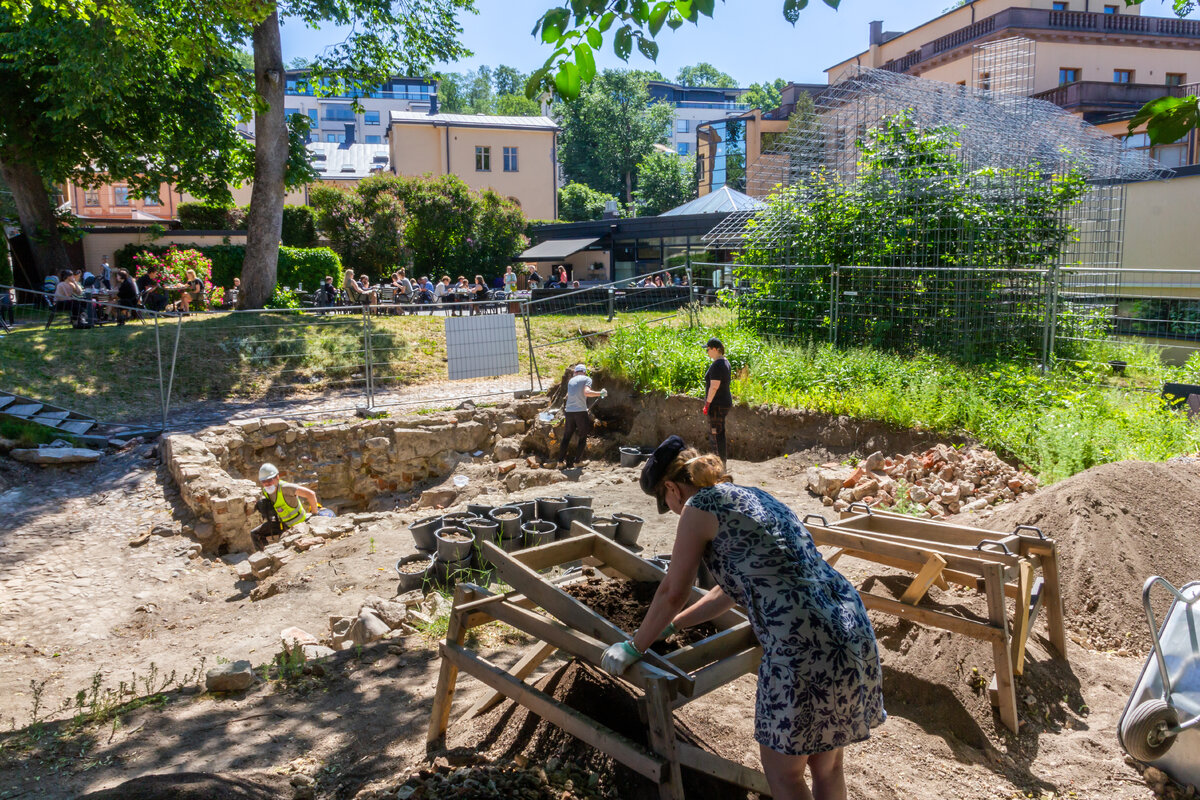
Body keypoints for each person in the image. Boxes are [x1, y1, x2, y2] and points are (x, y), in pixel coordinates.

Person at [601, 436, 886, 800]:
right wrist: (674, 626)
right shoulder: (753, 495)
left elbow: (673, 590)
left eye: (666, 501)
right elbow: (732, 590)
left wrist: (634, 645)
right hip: (848, 625)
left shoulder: (697, 507)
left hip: (801, 643)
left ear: (671, 488)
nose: (671, 509)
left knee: (785, 775)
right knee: (826, 766)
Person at [250, 463, 334, 551]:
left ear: (277, 477)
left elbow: (310, 494)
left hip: (300, 523)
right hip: (284, 524)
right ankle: (265, 555)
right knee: (255, 533)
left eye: (269, 480)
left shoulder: (286, 488)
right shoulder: (266, 492)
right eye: (264, 481)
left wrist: (314, 514)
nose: (267, 484)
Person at [554, 364, 607, 470]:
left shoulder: (571, 381)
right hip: (580, 412)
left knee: (566, 437)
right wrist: (600, 393)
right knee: (583, 436)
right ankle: (577, 461)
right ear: (584, 372)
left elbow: (572, 395)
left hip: (569, 412)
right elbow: (586, 392)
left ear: (575, 372)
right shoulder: (587, 379)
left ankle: (560, 462)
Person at [703, 337, 733, 464]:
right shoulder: (725, 362)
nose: (707, 352)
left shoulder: (717, 365)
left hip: (717, 405)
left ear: (715, 349)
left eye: (708, 349)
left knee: (715, 434)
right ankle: (721, 463)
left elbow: (714, 386)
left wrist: (707, 404)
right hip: (723, 402)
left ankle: (719, 465)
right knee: (719, 433)